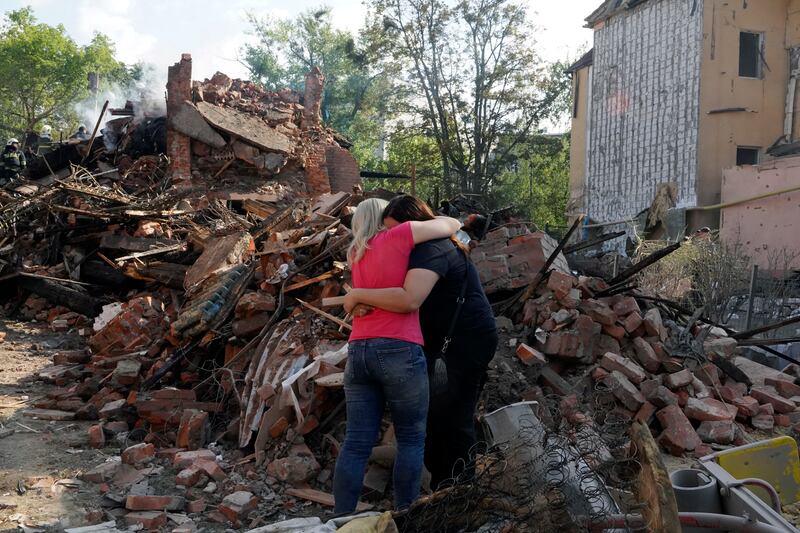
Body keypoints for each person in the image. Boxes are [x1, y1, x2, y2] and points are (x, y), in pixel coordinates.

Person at [344, 194, 498, 491]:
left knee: (453, 414)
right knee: (436, 414)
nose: (387, 236)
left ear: (411, 225)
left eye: (392, 229)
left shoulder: (432, 249)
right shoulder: (415, 249)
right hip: (440, 339)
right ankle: (445, 485)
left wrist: (358, 296)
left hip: (465, 340)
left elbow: (409, 299)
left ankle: (457, 491)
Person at [333, 198, 461, 515]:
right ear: (383, 217)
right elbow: (451, 225)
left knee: (356, 442)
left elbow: (360, 299)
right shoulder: (399, 234)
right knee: (411, 439)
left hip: (359, 349)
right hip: (398, 348)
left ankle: (341, 518)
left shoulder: (354, 253)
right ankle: (405, 514)